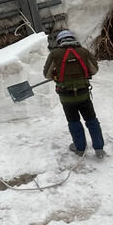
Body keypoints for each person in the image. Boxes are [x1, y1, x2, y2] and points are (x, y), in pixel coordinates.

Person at [43, 29, 105, 157]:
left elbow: (47, 74)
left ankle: (80, 148)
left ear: (59, 41)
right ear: (73, 39)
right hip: (83, 94)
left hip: (66, 97)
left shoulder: (54, 54)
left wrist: (55, 74)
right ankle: (99, 148)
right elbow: (94, 70)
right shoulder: (84, 52)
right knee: (91, 120)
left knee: (74, 122)